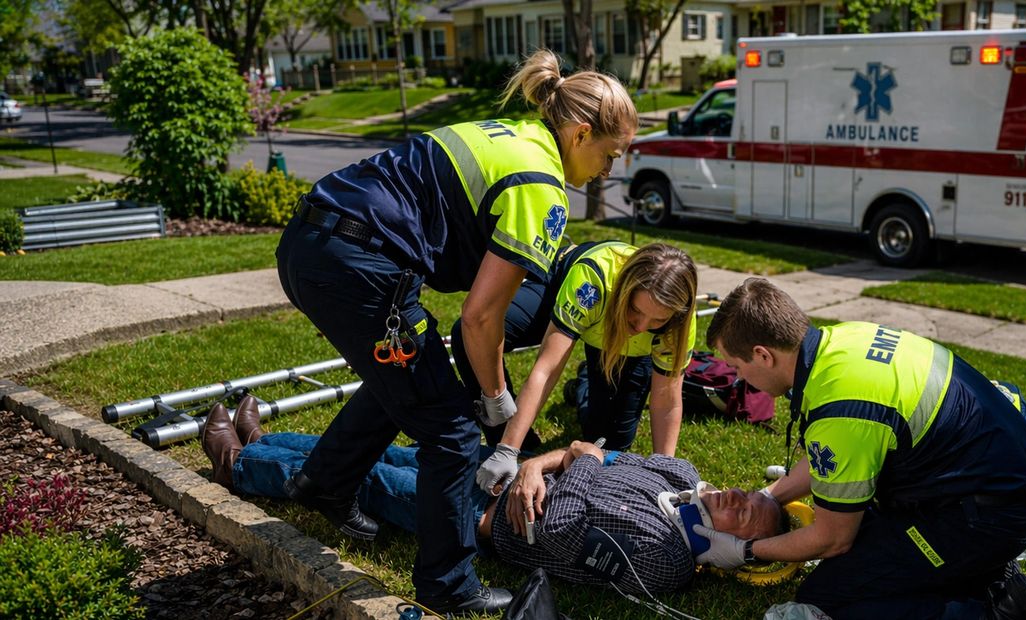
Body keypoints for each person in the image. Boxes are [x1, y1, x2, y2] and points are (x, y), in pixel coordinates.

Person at [272, 48, 637, 614]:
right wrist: (495, 397)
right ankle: (450, 585)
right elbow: (481, 316)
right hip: (358, 261)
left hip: (311, 240)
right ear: (582, 132)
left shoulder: (513, 131)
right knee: (454, 433)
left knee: (407, 377)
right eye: (609, 155)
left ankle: (324, 483)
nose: (607, 171)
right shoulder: (541, 185)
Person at [690, 278, 1026, 620]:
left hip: (987, 517)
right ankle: (981, 571)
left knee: (831, 597)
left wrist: (745, 552)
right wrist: (770, 495)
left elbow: (833, 538)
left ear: (763, 355)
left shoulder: (840, 409)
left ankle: (995, 608)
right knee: (872, 549)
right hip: (1003, 484)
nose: (739, 378)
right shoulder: (842, 340)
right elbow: (831, 458)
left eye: (737, 366)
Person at [199, 396, 783, 595]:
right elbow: (585, 449)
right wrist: (540, 466)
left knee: (372, 479)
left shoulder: (667, 562)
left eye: (748, 513)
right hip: (506, 476)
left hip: (486, 519)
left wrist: (563, 467)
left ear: (735, 548)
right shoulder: (678, 470)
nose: (741, 496)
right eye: (753, 494)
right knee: (390, 448)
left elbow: (554, 531)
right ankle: (267, 438)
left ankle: (237, 465)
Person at [455, 241, 698, 499]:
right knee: (472, 334)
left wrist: (664, 472)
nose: (640, 326)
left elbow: (666, 400)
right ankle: (515, 442)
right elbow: (546, 370)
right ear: (623, 291)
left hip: (625, 352)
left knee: (605, 447)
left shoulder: (680, 321)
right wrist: (508, 448)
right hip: (573, 296)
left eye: (658, 321)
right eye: (635, 310)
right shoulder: (592, 280)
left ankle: (585, 381)